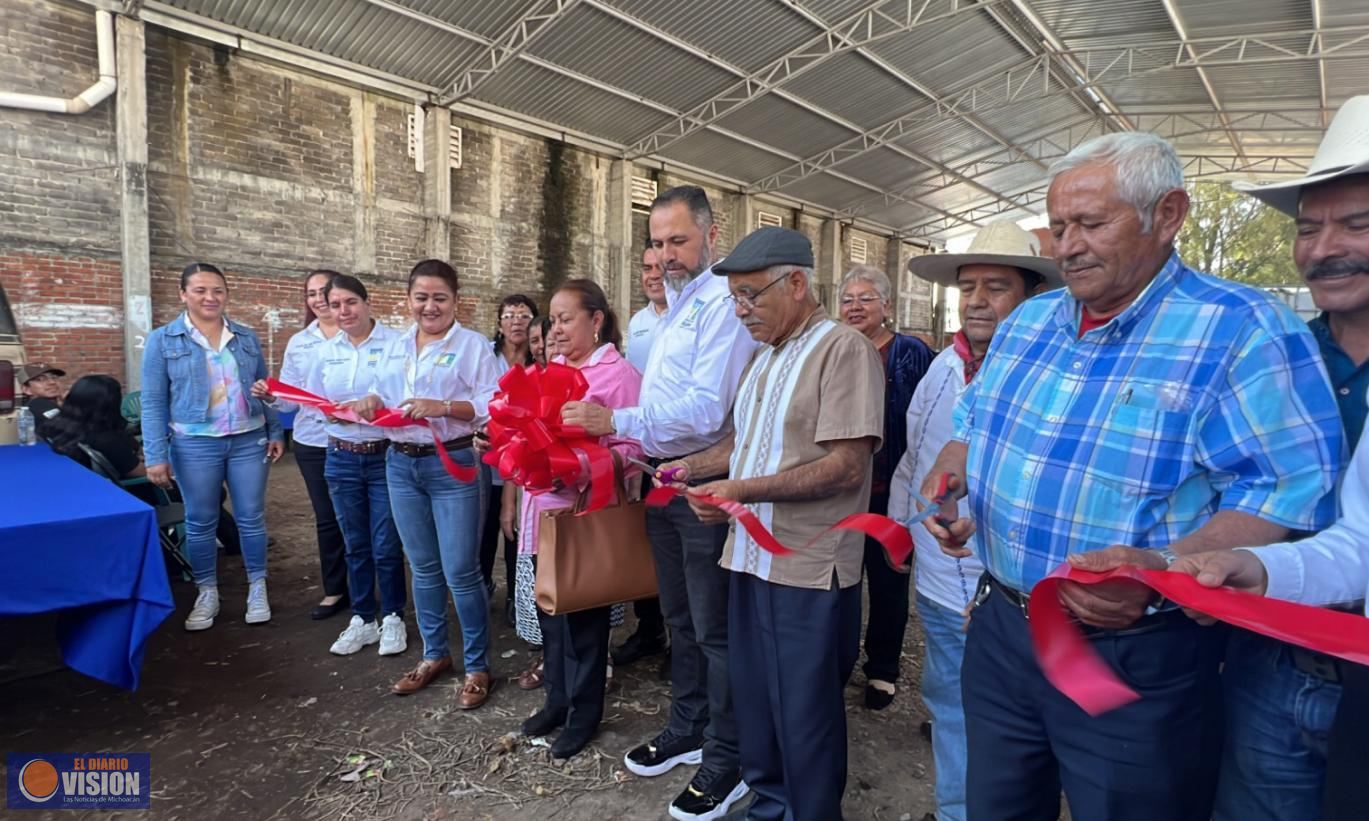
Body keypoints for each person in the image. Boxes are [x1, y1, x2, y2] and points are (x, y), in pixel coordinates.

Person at [919, 132, 1343, 821]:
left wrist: (1163, 567)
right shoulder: (1029, 322)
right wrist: (948, 486)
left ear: (1167, 214)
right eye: (1058, 227)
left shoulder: (1239, 328)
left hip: (1134, 652)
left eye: (1091, 223)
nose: (1068, 246)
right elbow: (970, 428)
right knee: (991, 805)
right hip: (1002, 630)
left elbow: (1287, 488)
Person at [1078, 95, 1369, 821]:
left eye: (1356, 224)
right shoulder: (1268, 350)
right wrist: (1198, 566)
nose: (1323, 246)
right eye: (1308, 227)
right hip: (1263, 656)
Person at [657, 226, 882, 820]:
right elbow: (746, 444)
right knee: (758, 701)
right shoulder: (765, 356)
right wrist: (686, 467)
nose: (741, 312)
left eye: (751, 296)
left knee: (804, 713)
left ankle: (809, 812)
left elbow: (844, 465)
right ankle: (768, 803)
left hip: (806, 566)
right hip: (749, 557)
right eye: (734, 299)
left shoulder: (842, 349)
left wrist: (736, 491)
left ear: (798, 282)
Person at [562, 186, 757, 820]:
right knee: (679, 618)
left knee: (715, 627)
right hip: (663, 480)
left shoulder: (721, 306)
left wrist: (613, 420)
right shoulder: (672, 306)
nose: (667, 255)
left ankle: (728, 758)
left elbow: (705, 411)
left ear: (710, 234)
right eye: (659, 242)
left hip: (704, 482)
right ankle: (689, 727)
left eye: (679, 241)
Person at [888, 221, 1058, 821]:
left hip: (1012, 592)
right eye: (969, 287)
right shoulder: (941, 368)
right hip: (939, 579)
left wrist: (998, 582)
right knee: (948, 700)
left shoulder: (1050, 378)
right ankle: (956, 808)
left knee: (1018, 722)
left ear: (1032, 296)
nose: (978, 300)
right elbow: (914, 456)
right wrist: (899, 531)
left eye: (997, 286)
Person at [348, 259, 500, 708]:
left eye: (440, 297)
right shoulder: (395, 345)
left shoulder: (472, 346)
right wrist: (372, 401)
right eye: (421, 297)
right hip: (401, 464)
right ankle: (435, 655)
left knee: (461, 570)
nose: (429, 306)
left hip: (451, 464)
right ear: (408, 299)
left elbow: (493, 403)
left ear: (456, 301)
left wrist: (445, 406)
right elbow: (380, 394)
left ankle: (477, 665)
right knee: (424, 567)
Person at [514, 278, 644, 759]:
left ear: (597, 320)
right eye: (553, 319)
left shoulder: (618, 375)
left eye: (568, 318)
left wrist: (575, 465)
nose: (558, 328)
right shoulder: (551, 369)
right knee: (551, 616)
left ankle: (584, 714)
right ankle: (558, 701)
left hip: (584, 512)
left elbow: (633, 447)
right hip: (542, 514)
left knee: (585, 624)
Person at [141, 262, 285, 632]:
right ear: (183, 294)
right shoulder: (163, 340)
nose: (210, 297)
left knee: (251, 518)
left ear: (226, 294)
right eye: (201, 290)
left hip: (247, 439)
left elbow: (263, 388)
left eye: (217, 290)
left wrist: (274, 431)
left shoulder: (245, 336)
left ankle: (258, 586)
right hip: (194, 444)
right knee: (201, 520)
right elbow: (154, 400)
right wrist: (156, 455)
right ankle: (207, 591)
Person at [838, 264, 933, 710]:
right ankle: (838, 660)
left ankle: (882, 669)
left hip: (890, 488)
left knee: (889, 580)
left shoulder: (910, 353)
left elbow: (927, 423)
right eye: (847, 299)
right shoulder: (834, 350)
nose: (854, 307)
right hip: (842, 489)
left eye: (865, 298)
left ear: (887, 306)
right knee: (840, 580)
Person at [264, 270, 349, 620]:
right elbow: (288, 401)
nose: (318, 299)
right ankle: (335, 590)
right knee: (327, 517)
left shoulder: (359, 333)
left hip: (356, 439)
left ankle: (370, 588)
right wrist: (271, 397)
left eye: (324, 291)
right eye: (311, 293)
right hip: (313, 441)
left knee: (363, 518)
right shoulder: (301, 341)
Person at [614, 240, 670, 672]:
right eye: (646, 267)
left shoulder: (693, 318)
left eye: (660, 267)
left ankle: (684, 638)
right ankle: (650, 628)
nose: (653, 275)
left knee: (682, 548)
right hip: (644, 453)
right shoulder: (638, 322)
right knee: (643, 542)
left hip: (684, 451)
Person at [483, 295, 538, 626]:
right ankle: (482, 588)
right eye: (509, 315)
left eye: (524, 315)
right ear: (499, 322)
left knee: (515, 530)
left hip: (521, 461)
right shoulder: (484, 357)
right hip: (485, 457)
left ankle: (517, 599)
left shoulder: (539, 361)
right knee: (484, 530)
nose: (516, 321)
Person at [47, 374, 142, 480]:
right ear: (112, 403)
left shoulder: (61, 427)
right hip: (130, 491)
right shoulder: (107, 440)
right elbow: (137, 472)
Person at [19, 363, 65, 439]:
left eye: (54, 377)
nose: (52, 382)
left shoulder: (46, 405)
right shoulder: (39, 404)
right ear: (26, 389)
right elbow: (72, 429)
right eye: (40, 379)